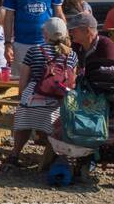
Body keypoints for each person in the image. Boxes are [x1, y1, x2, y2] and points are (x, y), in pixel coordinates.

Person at [9, 17, 78, 167]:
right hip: (57, 102)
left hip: (34, 97)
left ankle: (14, 155)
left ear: (45, 34)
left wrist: (21, 97)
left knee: (23, 124)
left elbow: (24, 79)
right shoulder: (71, 55)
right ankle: (52, 159)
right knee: (53, 130)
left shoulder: (34, 51)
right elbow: (72, 81)